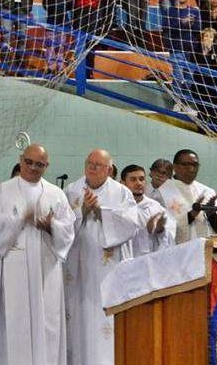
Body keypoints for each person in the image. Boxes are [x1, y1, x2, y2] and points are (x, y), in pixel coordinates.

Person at [0, 144, 76, 365]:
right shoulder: (2, 191)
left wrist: (51, 226)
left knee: (47, 325)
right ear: (20, 160)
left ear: (47, 165)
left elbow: (69, 229)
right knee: (15, 325)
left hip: (46, 271)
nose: (33, 168)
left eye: (39, 164)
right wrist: (19, 220)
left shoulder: (56, 194)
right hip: (13, 271)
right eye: (29, 162)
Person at [63, 149, 139, 365]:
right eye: (89, 163)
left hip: (109, 271)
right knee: (79, 321)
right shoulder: (72, 190)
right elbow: (61, 228)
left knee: (106, 324)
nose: (93, 167)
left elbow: (131, 225)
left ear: (109, 169)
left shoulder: (121, 192)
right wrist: (82, 212)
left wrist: (100, 212)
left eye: (98, 164)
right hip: (78, 272)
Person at [155, 148, 217, 243]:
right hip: (182, 251)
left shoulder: (207, 191)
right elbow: (166, 227)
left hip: (207, 249)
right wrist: (192, 214)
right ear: (175, 167)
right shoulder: (163, 192)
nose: (191, 169)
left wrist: (212, 214)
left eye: (194, 165)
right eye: (186, 165)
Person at [121, 164, 175, 257]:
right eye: (133, 179)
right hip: (124, 262)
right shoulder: (118, 208)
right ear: (123, 183)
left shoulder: (156, 208)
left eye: (141, 179)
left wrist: (160, 229)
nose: (139, 183)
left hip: (149, 263)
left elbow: (169, 237)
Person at [162, 0, 201, 102]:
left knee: (190, 79)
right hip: (176, 49)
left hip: (191, 50)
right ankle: (177, 100)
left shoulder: (194, 11)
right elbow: (166, 27)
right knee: (178, 77)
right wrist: (182, 22)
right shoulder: (170, 11)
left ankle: (183, 100)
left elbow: (198, 29)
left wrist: (191, 23)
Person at [42, 0, 71, 74]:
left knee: (60, 47)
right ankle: (51, 66)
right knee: (50, 46)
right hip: (51, 24)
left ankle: (60, 66)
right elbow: (47, 7)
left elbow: (67, 7)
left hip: (62, 24)